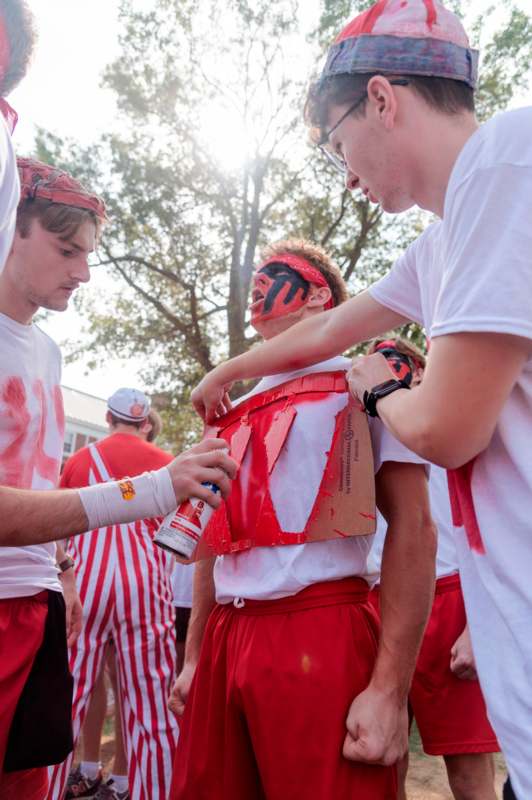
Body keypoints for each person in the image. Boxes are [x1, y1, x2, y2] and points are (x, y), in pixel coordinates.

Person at [191, 2, 532, 795]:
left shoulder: (505, 160)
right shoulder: (445, 238)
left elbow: (446, 428)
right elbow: (327, 332)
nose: (347, 172)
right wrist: (231, 371)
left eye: (341, 141)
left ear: (382, 98)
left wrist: (381, 392)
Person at [168, 239, 436, 799]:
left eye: (276, 276)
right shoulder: (230, 406)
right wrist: (194, 658)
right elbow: (216, 542)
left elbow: (414, 528)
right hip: (225, 634)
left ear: (319, 294)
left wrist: (389, 689)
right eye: (253, 280)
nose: (256, 289)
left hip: (320, 627)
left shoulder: (368, 380)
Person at [0, 157, 106, 798]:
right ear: (12, 227)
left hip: (39, 603)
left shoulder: (46, 349)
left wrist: (61, 574)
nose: (83, 272)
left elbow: (36, 473)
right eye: (67, 249)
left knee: (30, 783)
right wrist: (143, 492)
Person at [367, 337, 498, 800]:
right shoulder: (360, 436)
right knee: (383, 759)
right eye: (380, 367)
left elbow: (493, 538)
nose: (394, 374)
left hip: (451, 599)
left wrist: (476, 629)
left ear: (423, 373)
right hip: (377, 603)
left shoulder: (455, 433)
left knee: (467, 769)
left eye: (403, 366)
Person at [49, 390, 183, 800]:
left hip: (87, 579)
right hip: (145, 578)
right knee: (151, 701)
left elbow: (57, 525)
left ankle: (48, 790)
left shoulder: (79, 460)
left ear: (108, 418)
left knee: (67, 694)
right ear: (145, 423)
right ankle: (153, 793)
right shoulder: (166, 463)